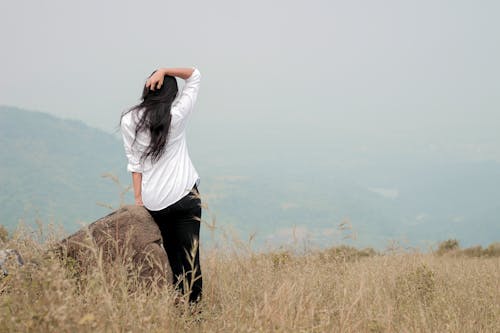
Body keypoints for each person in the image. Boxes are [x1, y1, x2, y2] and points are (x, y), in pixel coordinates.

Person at [119, 66, 202, 304]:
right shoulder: (176, 115)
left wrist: (139, 201)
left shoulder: (129, 120)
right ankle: (194, 317)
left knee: (174, 260)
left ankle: (178, 308)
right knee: (190, 260)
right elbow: (194, 75)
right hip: (186, 197)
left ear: (148, 88)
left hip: (155, 202)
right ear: (172, 95)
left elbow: (134, 164)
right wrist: (165, 69)